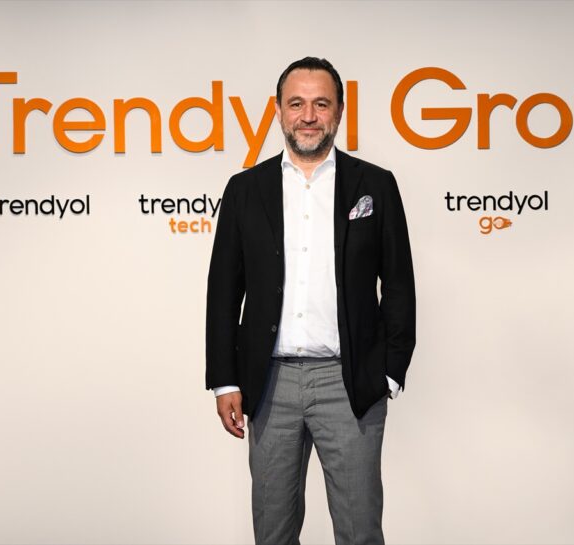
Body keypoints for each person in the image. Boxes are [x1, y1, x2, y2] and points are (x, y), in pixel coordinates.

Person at [205, 56, 416, 545]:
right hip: (268, 384)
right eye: (296, 103)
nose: (308, 116)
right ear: (278, 111)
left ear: (339, 111)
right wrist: (225, 380)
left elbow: (399, 285)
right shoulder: (244, 190)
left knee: (360, 532)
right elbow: (223, 292)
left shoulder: (375, 185)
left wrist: (388, 372)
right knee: (273, 534)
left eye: (321, 104)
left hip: (350, 383)